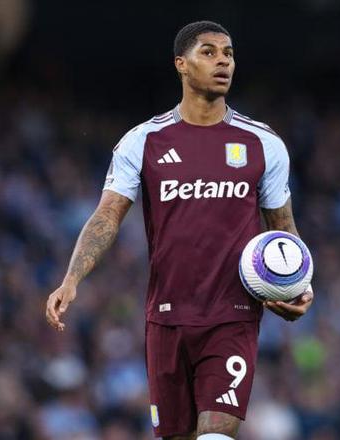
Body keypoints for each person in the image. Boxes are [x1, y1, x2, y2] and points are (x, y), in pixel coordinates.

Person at [45, 20, 313, 440]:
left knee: (216, 434)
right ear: (181, 65)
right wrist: (72, 278)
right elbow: (107, 215)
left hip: (233, 315)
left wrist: (299, 285)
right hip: (166, 317)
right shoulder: (143, 141)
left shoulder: (263, 144)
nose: (223, 62)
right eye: (209, 52)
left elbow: (283, 229)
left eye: (229, 54)